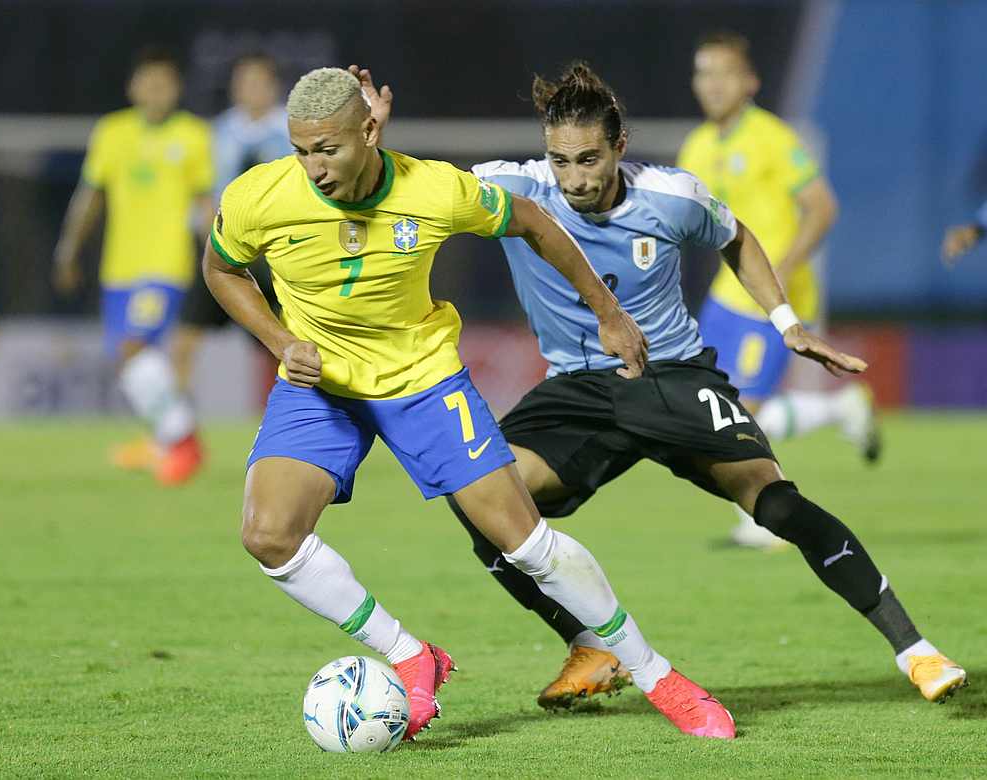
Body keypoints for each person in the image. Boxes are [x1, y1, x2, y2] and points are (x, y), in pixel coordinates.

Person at [355, 62, 967, 713]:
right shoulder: (513, 188)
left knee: (776, 504)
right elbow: (412, 191)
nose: (574, 179)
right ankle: (588, 646)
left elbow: (736, 238)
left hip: (670, 374)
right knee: (478, 496)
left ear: (619, 146)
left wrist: (786, 322)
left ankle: (915, 650)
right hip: (576, 390)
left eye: (589, 159)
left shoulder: (671, 198)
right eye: (560, 161)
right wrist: (368, 148)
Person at [203, 67, 736, 741]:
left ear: (368, 132)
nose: (313, 168)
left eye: (329, 149)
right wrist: (280, 340)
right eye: (302, 150)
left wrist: (607, 311)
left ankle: (659, 677)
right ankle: (409, 654)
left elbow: (535, 222)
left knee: (527, 544)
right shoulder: (258, 196)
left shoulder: (434, 190)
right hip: (322, 386)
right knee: (268, 535)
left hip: (422, 380)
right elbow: (221, 268)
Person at [678, 31, 881, 548]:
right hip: (726, 294)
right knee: (708, 409)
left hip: (772, 298)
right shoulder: (698, 146)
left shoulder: (772, 138)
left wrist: (785, 266)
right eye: (703, 73)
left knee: (743, 412)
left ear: (750, 82)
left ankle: (762, 521)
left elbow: (822, 206)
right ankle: (839, 410)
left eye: (724, 73)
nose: (713, 84)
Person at [52, 46, 212, 485]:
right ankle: (162, 440)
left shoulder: (193, 135)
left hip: (166, 265)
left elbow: (204, 203)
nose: (156, 92)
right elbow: (90, 194)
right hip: (119, 268)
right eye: (149, 83)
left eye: (165, 85)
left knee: (133, 348)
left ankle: (183, 441)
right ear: (133, 87)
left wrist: (219, 259)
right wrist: (68, 249)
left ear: (177, 89)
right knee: (130, 364)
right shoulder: (112, 132)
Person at [172, 51, 289, 390]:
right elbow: (202, 192)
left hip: (275, 257)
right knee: (184, 342)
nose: (252, 89)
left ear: (274, 87)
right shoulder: (215, 134)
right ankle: (176, 423)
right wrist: (209, 238)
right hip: (222, 252)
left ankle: (296, 417)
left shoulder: (293, 132)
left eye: (259, 82)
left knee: (286, 341)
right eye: (245, 82)